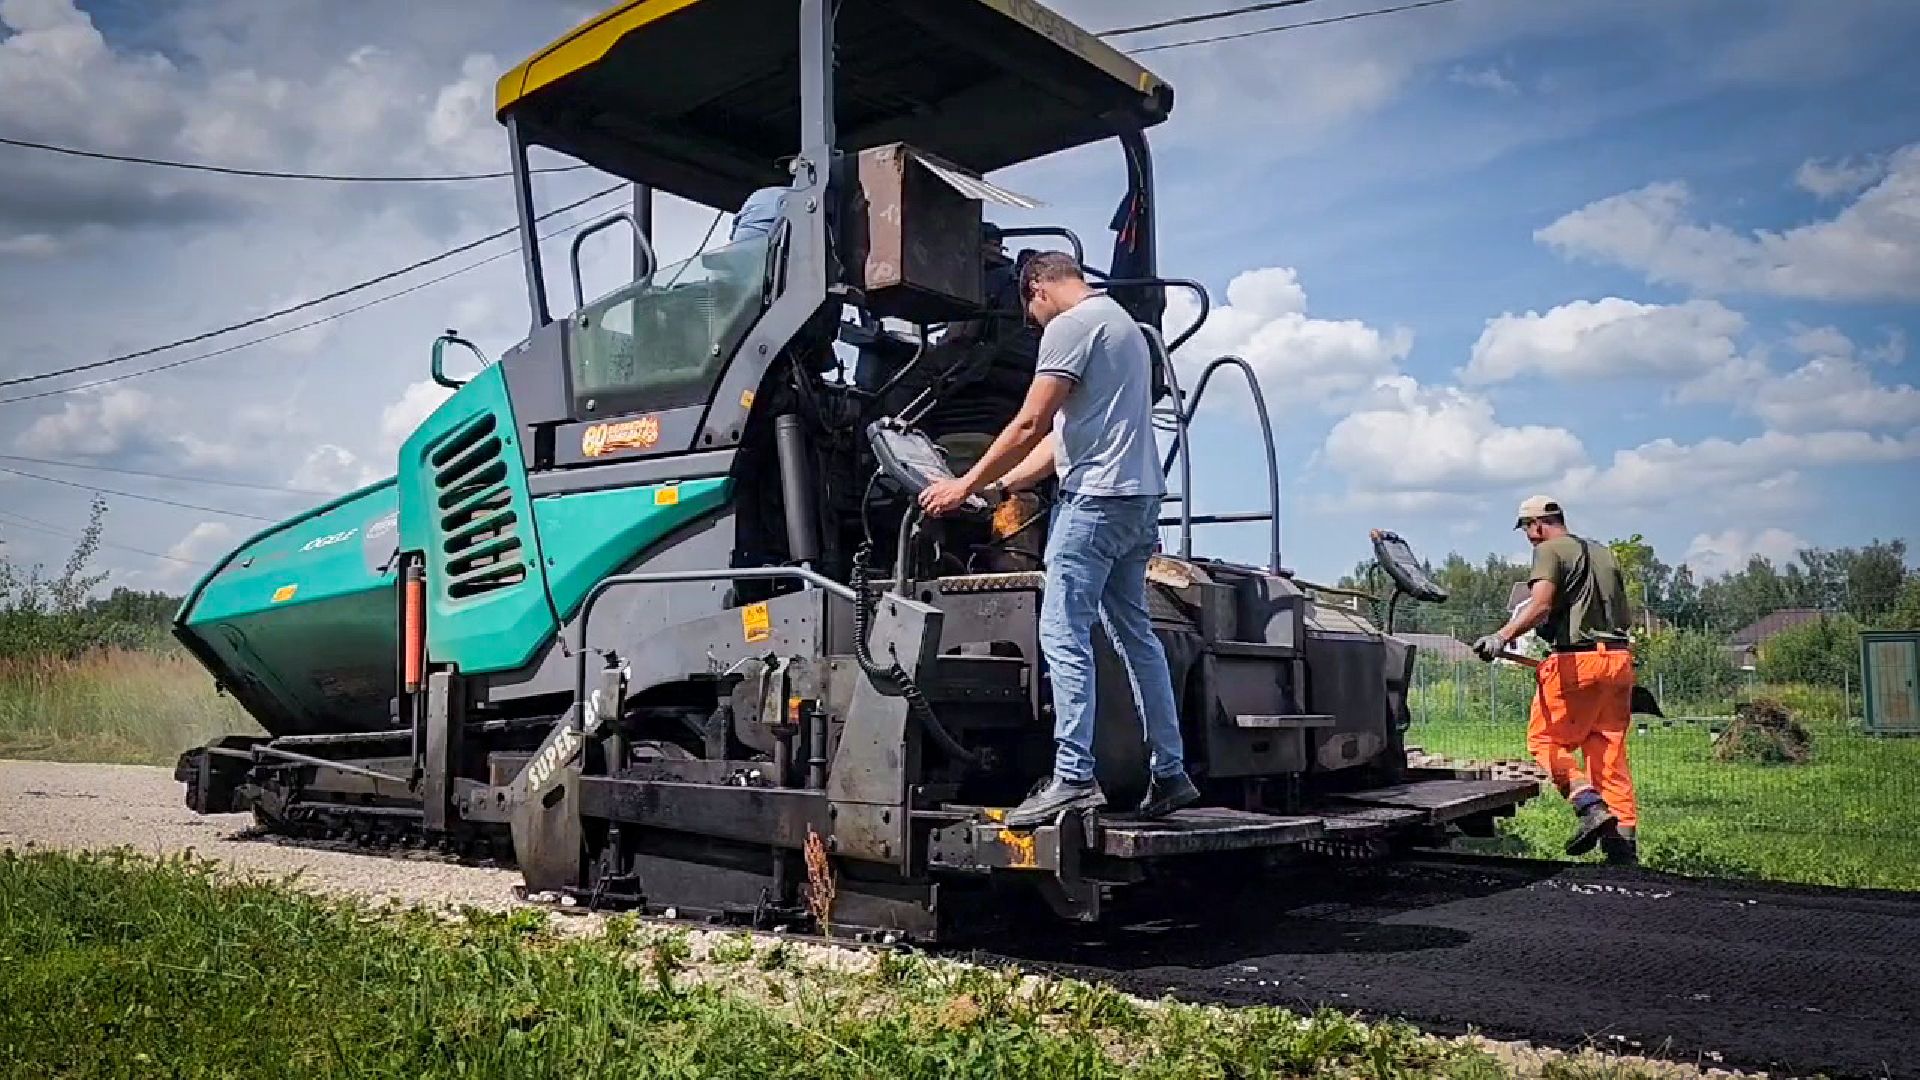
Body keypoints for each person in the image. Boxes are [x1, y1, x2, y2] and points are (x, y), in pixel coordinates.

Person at [919, 251, 1197, 829]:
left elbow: (1029, 424)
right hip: (1139, 500)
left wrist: (960, 484)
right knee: (1132, 633)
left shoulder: (1069, 327)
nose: (1037, 324)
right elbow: (1066, 436)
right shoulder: (1125, 327)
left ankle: (1072, 777)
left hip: (1094, 502)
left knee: (1062, 630)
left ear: (1036, 287)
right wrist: (994, 490)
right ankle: (1170, 772)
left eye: (1032, 312)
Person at [1473, 495, 1639, 864]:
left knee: (1545, 741)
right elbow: (1622, 614)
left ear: (1537, 524)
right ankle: (1623, 850)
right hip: (1618, 661)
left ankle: (1588, 805)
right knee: (1608, 754)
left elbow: (1542, 603)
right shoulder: (1604, 553)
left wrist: (1502, 636)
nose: (1529, 538)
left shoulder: (1550, 550)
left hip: (1576, 664)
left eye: (1528, 530)